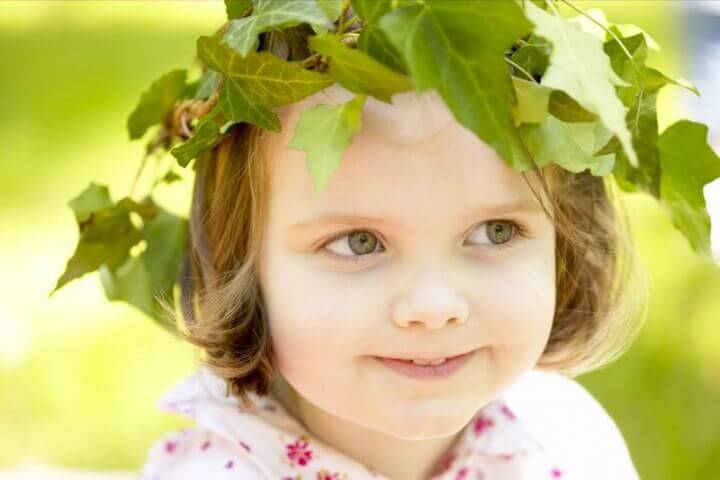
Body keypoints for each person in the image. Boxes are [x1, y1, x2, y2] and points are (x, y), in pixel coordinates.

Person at [136, 81, 646, 480]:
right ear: (238, 256)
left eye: (495, 232)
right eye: (359, 242)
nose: (433, 305)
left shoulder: (567, 438)